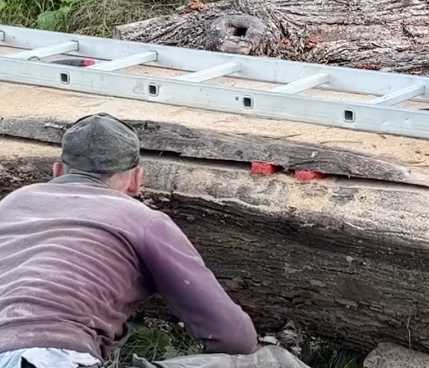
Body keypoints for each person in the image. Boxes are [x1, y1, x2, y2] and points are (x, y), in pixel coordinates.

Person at [0, 113, 307, 368]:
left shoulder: (12, 204)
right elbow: (231, 335)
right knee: (273, 363)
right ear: (136, 179)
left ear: (57, 171)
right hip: (51, 358)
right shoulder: (141, 219)